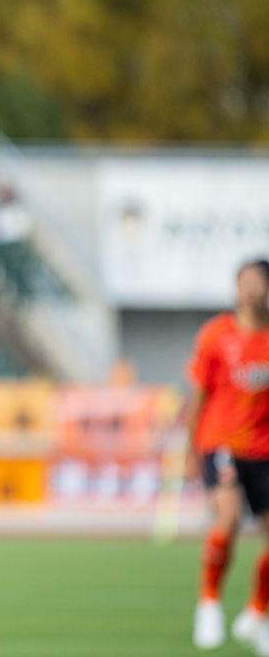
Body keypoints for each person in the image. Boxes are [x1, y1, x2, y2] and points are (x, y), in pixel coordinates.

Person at [188, 259, 269, 653]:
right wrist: (190, 450)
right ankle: (209, 604)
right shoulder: (216, 335)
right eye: (243, 281)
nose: (249, 289)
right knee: (229, 517)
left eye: (257, 282)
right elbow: (199, 395)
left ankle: (256, 614)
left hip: (264, 450)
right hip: (222, 444)